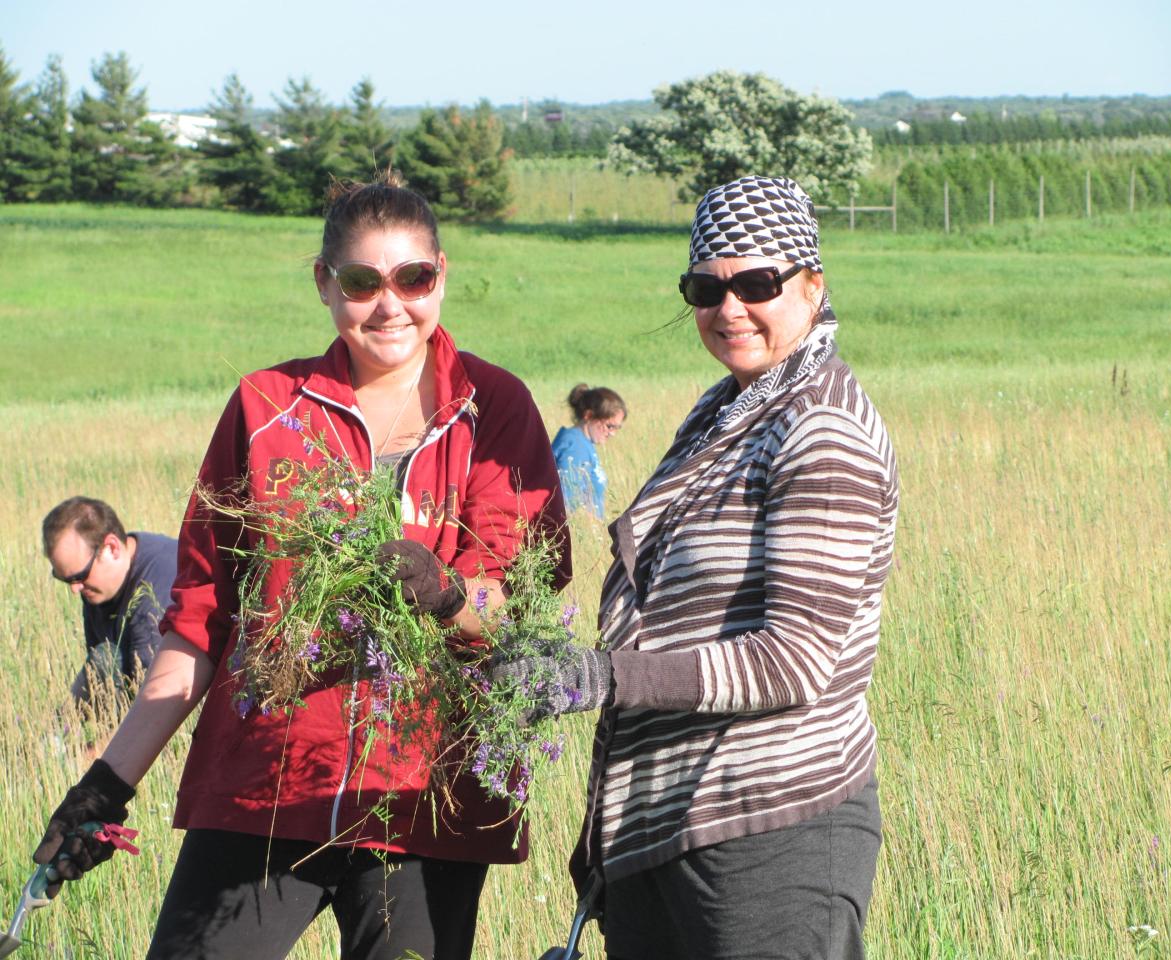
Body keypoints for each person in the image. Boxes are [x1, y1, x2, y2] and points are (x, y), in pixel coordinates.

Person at [33, 172, 570, 960]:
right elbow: (197, 622)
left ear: (442, 275)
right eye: (362, 281)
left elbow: (513, 608)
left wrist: (443, 592)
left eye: (413, 278)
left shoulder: (495, 410)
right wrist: (106, 785)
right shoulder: (265, 407)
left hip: (424, 798)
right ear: (325, 284)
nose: (391, 305)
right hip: (265, 784)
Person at [496, 175, 899, 960]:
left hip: (769, 834)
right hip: (670, 834)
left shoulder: (820, 427)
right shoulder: (731, 408)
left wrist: (601, 678)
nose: (729, 308)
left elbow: (792, 664)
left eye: (757, 283)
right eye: (705, 289)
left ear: (813, 285)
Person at [42, 497, 177, 704]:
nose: (74, 589)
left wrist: (102, 737)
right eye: (65, 579)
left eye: (79, 576)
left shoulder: (154, 591)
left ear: (112, 548)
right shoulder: (97, 585)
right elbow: (100, 671)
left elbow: (155, 701)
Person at [551, 383, 627, 518]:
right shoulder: (575, 447)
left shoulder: (584, 442)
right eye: (609, 426)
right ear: (589, 416)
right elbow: (568, 504)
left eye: (617, 428)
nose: (613, 433)